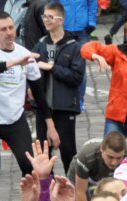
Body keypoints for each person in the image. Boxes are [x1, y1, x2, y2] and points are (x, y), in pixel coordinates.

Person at [0, 12, 54, 177]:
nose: (9, 33)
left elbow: (39, 93)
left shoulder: (25, 54)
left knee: (30, 167)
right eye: (3, 29)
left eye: (11, 28)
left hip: (15, 120)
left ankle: (31, 193)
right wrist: (15, 62)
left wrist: (50, 125)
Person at [34, 3, 85, 171]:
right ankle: (46, 186)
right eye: (44, 16)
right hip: (43, 108)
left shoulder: (74, 46)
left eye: (50, 17)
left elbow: (76, 77)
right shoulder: (41, 43)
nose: (46, 20)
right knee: (43, 153)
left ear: (61, 20)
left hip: (65, 106)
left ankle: (74, 186)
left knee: (68, 152)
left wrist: (52, 68)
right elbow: (30, 68)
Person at [70, 133, 127, 201]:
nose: (114, 163)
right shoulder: (87, 155)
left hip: (107, 176)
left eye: (119, 158)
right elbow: (80, 192)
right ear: (101, 148)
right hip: (84, 174)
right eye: (110, 157)